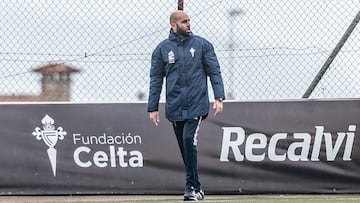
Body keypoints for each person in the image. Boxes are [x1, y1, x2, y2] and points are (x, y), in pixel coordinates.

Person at [147, 10, 225, 201]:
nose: (188, 24)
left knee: (189, 139)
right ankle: (197, 187)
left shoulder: (202, 45)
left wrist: (219, 97)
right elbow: (156, 79)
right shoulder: (161, 50)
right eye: (184, 21)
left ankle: (190, 187)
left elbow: (214, 71)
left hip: (196, 105)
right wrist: (153, 107)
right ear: (173, 25)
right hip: (174, 107)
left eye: (189, 21)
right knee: (185, 147)